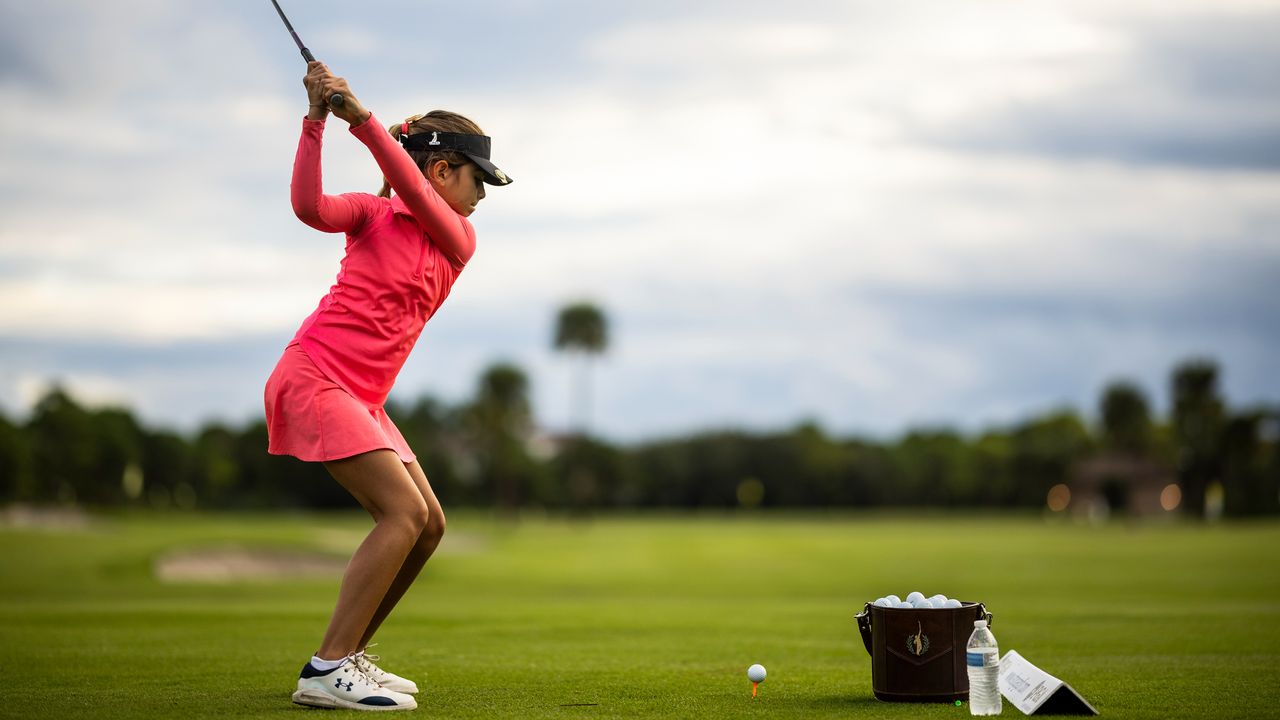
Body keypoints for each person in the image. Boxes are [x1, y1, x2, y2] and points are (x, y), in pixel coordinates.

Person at [264, 61, 513, 712]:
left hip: (363, 399)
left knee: (428, 524)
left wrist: (362, 120)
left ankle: (345, 658)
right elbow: (308, 207)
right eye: (475, 179)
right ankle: (325, 669)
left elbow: (410, 185)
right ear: (441, 168)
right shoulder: (372, 216)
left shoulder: (459, 237)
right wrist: (319, 121)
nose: (482, 195)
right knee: (402, 515)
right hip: (318, 376)